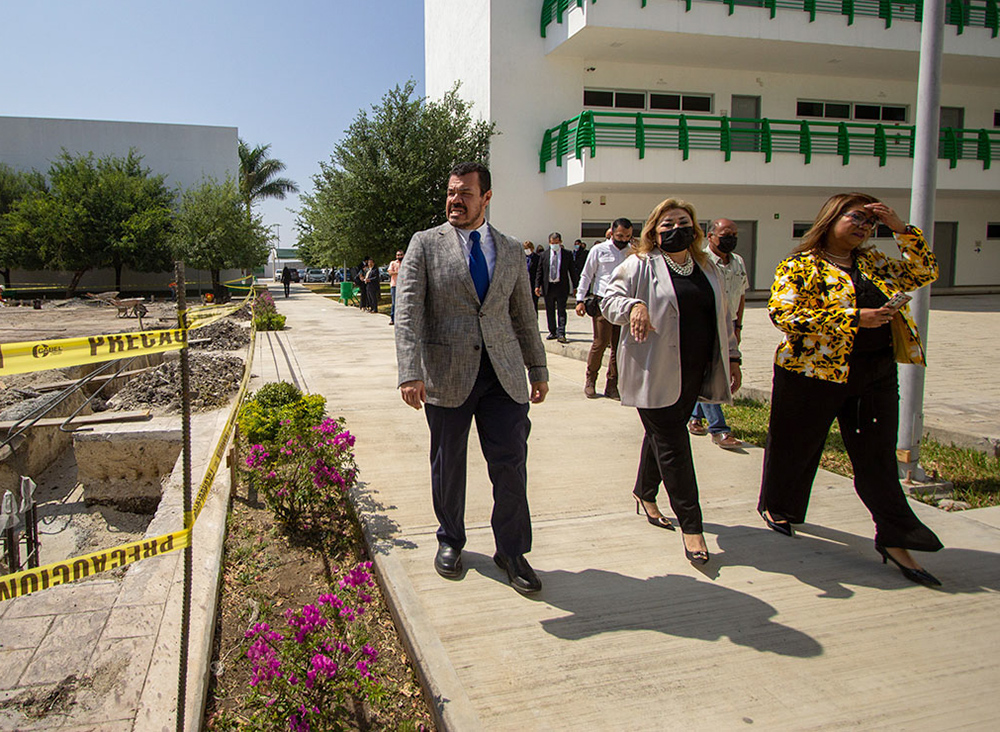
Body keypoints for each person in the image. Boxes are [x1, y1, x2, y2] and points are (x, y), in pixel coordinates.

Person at [757, 193, 943, 586]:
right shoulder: (800, 265)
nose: (863, 227)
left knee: (876, 457)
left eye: (871, 224)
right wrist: (855, 318)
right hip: (810, 374)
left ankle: (896, 536)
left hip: (873, 373)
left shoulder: (874, 262)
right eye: (856, 217)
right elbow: (783, 314)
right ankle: (778, 507)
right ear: (831, 217)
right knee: (795, 447)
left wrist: (901, 229)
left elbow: (924, 273)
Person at [395, 161, 549, 595]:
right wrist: (410, 371)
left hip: (503, 376)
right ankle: (451, 540)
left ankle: (512, 551)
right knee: (448, 464)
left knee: (511, 465)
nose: (455, 200)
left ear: (486, 197)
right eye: (450, 192)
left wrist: (537, 368)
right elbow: (407, 314)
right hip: (446, 374)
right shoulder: (425, 244)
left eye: (464, 193)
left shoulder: (512, 249)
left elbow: (523, 315)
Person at [602, 198, 741, 566]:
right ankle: (691, 526)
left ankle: (644, 492)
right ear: (653, 231)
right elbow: (608, 300)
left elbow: (724, 317)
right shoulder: (640, 264)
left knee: (663, 437)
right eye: (666, 225)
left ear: (695, 229)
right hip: (653, 370)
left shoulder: (707, 267)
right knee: (674, 446)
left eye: (682, 222)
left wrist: (734, 357)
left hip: (694, 371)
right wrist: (634, 305)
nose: (675, 229)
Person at [688, 219, 748, 449]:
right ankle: (719, 429)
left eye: (734, 233)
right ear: (710, 236)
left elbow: (740, 296)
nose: (730, 238)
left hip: (729, 322)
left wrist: (737, 327)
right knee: (712, 371)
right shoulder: (699, 261)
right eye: (725, 234)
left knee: (708, 372)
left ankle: (695, 417)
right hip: (706, 322)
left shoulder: (738, 262)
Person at [574, 217, 633, 399]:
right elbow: (587, 274)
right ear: (611, 232)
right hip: (603, 302)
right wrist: (580, 299)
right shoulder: (599, 250)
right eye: (620, 235)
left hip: (624, 303)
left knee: (619, 347)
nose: (623, 239)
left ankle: (612, 385)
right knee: (600, 343)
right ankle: (590, 380)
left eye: (627, 236)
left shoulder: (633, 252)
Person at [534, 232, 575, 343]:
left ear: (560, 242)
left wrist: (576, 287)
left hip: (561, 286)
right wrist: (537, 286)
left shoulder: (567, 254)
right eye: (552, 243)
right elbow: (539, 271)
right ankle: (552, 331)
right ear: (549, 242)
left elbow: (572, 271)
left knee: (561, 310)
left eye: (556, 243)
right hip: (548, 287)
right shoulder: (544, 255)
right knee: (550, 310)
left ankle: (561, 333)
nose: (554, 245)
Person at [387, 249, 404, 324]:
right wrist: (398, 272)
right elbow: (390, 272)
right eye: (398, 255)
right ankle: (392, 319)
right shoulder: (393, 263)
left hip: (404, 285)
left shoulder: (406, 263)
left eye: (400, 255)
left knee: (403, 302)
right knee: (394, 302)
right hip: (395, 285)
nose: (399, 256)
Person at [524, 241, 541, 312]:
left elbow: (539, 272)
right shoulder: (522, 258)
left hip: (533, 284)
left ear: (532, 248)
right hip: (524, 284)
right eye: (525, 248)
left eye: (528, 248)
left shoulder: (537, 258)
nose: (526, 250)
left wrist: (538, 285)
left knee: (534, 304)